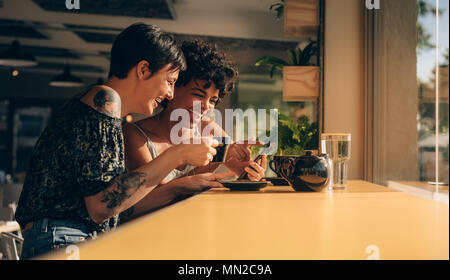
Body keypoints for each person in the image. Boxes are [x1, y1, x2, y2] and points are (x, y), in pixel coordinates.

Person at [15, 23, 220, 259]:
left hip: (63, 238)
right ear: (143, 70)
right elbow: (102, 206)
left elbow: (114, 201)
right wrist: (178, 155)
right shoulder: (104, 98)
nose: (170, 94)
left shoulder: (105, 110)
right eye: (170, 81)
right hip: (62, 239)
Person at [121, 40, 267, 222]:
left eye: (212, 100)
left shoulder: (209, 129)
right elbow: (147, 201)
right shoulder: (135, 136)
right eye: (198, 95)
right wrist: (191, 181)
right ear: (172, 87)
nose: (206, 107)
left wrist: (244, 172)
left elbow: (228, 175)